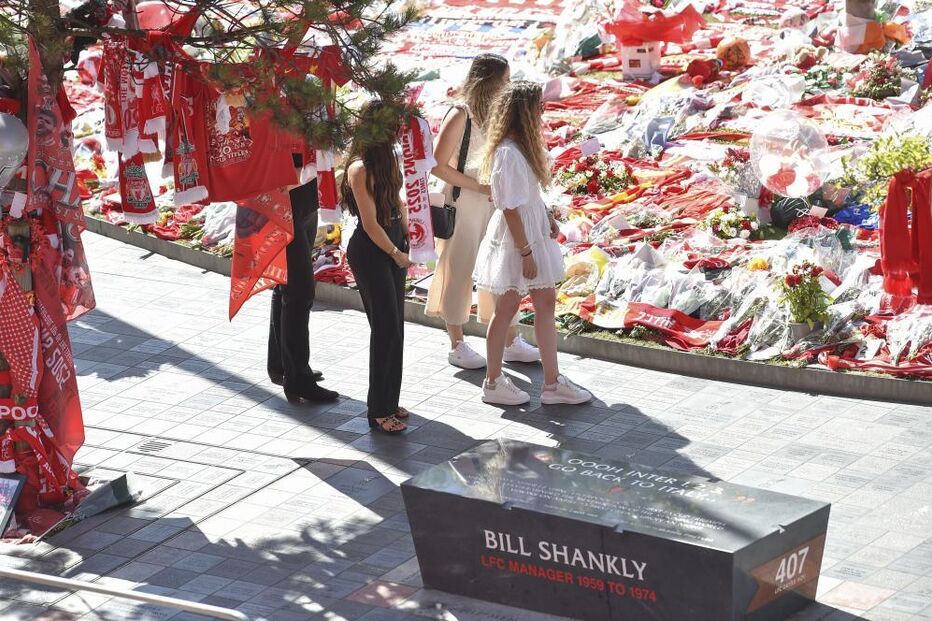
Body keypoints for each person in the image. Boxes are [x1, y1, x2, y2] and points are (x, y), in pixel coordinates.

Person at [474, 81, 591, 406]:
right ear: (523, 113)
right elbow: (509, 207)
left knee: (544, 302)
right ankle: (494, 381)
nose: (542, 112)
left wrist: (547, 218)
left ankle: (552, 383)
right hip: (517, 238)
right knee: (508, 308)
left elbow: (527, 197)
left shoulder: (519, 148)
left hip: (530, 230)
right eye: (537, 107)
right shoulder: (509, 153)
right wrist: (526, 251)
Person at [425, 54, 540, 371]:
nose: (507, 84)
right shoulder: (461, 113)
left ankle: (509, 338)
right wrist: (479, 186)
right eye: (504, 79)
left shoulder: (499, 113)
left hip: (494, 200)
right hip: (465, 200)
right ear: (488, 80)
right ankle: (457, 342)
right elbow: (438, 165)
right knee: (459, 268)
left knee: (500, 269)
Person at [342, 101, 410, 434]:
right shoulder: (359, 168)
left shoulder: (389, 159)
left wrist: (410, 234)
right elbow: (369, 223)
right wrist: (396, 252)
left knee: (396, 326)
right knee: (384, 327)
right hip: (372, 250)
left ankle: (389, 397)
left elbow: (397, 200)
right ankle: (378, 408)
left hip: (394, 240)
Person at [267, 164, 339, 405]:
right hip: (282, 196)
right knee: (299, 291)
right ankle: (297, 378)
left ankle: (283, 365)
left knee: (288, 283)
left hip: (305, 194)